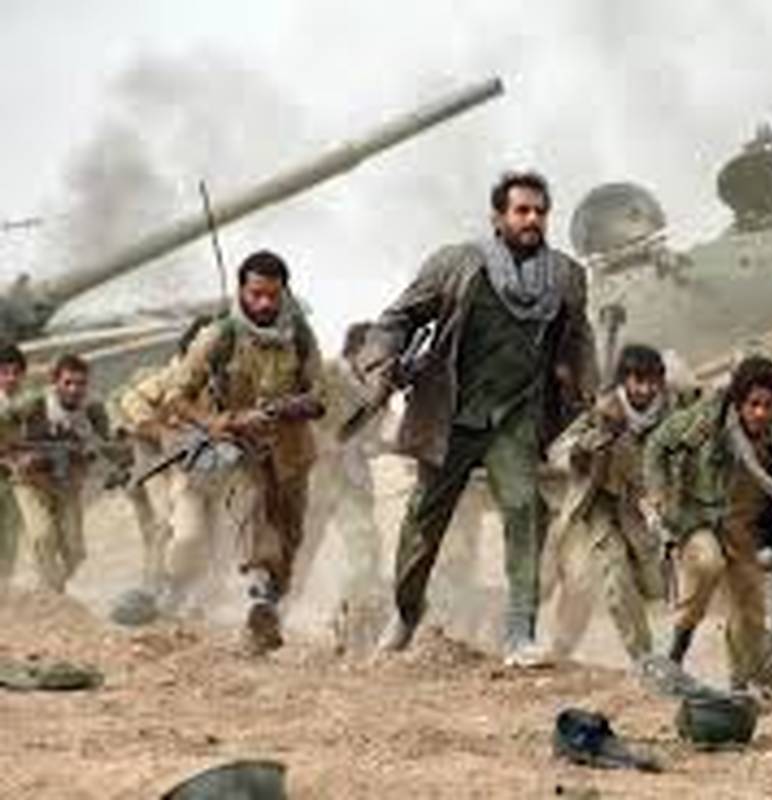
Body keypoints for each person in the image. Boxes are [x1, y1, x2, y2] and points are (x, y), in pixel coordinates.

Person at [365, 171, 597, 665]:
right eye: (521, 210)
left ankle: (519, 634)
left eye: (540, 211)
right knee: (424, 521)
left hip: (515, 416)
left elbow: (579, 341)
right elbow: (398, 317)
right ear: (498, 217)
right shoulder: (458, 264)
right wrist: (383, 362)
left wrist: (587, 395)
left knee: (524, 509)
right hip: (452, 413)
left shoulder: (565, 276)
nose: (532, 219)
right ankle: (406, 612)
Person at [161, 250, 324, 653]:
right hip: (239, 451)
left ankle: (267, 612)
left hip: (292, 453)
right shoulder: (221, 336)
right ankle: (257, 596)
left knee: (290, 540)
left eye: (273, 295)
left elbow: (319, 395)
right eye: (256, 294)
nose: (265, 304)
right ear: (242, 291)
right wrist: (221, 422)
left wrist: (290, 407)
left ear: (284, 292)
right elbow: (175, 397)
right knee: (254, 518)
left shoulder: (300, 336)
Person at [642, 354, 772, 690]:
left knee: (750, 610)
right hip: (700, 515)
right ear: (739, 401)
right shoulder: (707, 420)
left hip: (745, 526)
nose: (760, 413)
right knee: (707, 564)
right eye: (753, 404)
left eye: (769, 405)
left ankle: (739, 685)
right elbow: (657, 445)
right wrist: (658, 492)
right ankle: (676, 654)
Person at [541, 344, 680, 665]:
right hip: (595, 504)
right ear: (624, 380)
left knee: (654, 586)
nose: (645, 389)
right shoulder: (604, 412)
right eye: (638, 380)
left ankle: (653, 655)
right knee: (607, 575)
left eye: (652, 381)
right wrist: (586, 446)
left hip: (640, 511)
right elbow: (559, 451)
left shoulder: (670, 417)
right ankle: (644, 659)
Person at [288, 322, 390, 649]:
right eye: (377, 350)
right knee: (300, 552)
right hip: (315, 479)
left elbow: (373, 435)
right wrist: (322, 442)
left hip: (352, 481)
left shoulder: (380, 387)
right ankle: (273, 615)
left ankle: (352, 618)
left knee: (365, 549)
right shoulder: (326, 375)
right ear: (357, 349)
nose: (384, 358)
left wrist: (377, 444)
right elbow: (298, 418)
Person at [0, 354, 128, 593]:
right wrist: (15, 457)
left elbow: (108, 444)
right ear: (55, 382)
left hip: (67, 482)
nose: (74, 390)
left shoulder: (93, 408)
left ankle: (55, 587)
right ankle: (50, 592)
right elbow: (4, 424)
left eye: (80, 383)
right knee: (42, 536)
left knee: (75, 552)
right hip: (30, 481)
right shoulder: (33, 403)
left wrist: (111, 456)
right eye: (68, 383)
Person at [115, 314, 214, 592]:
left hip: (197, 466)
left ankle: (191, 586)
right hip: (158, 465)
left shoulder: (218, 378)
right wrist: (161, 432)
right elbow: (131, 401)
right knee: (165, 523)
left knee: (202, 530)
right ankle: (154, 587)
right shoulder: (173, 375)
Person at [0, 343, 29, 586]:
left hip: (14, 478)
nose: (10, 378)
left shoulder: (28, 403)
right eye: (4, 372)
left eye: (16, 373)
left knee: (10, 531)